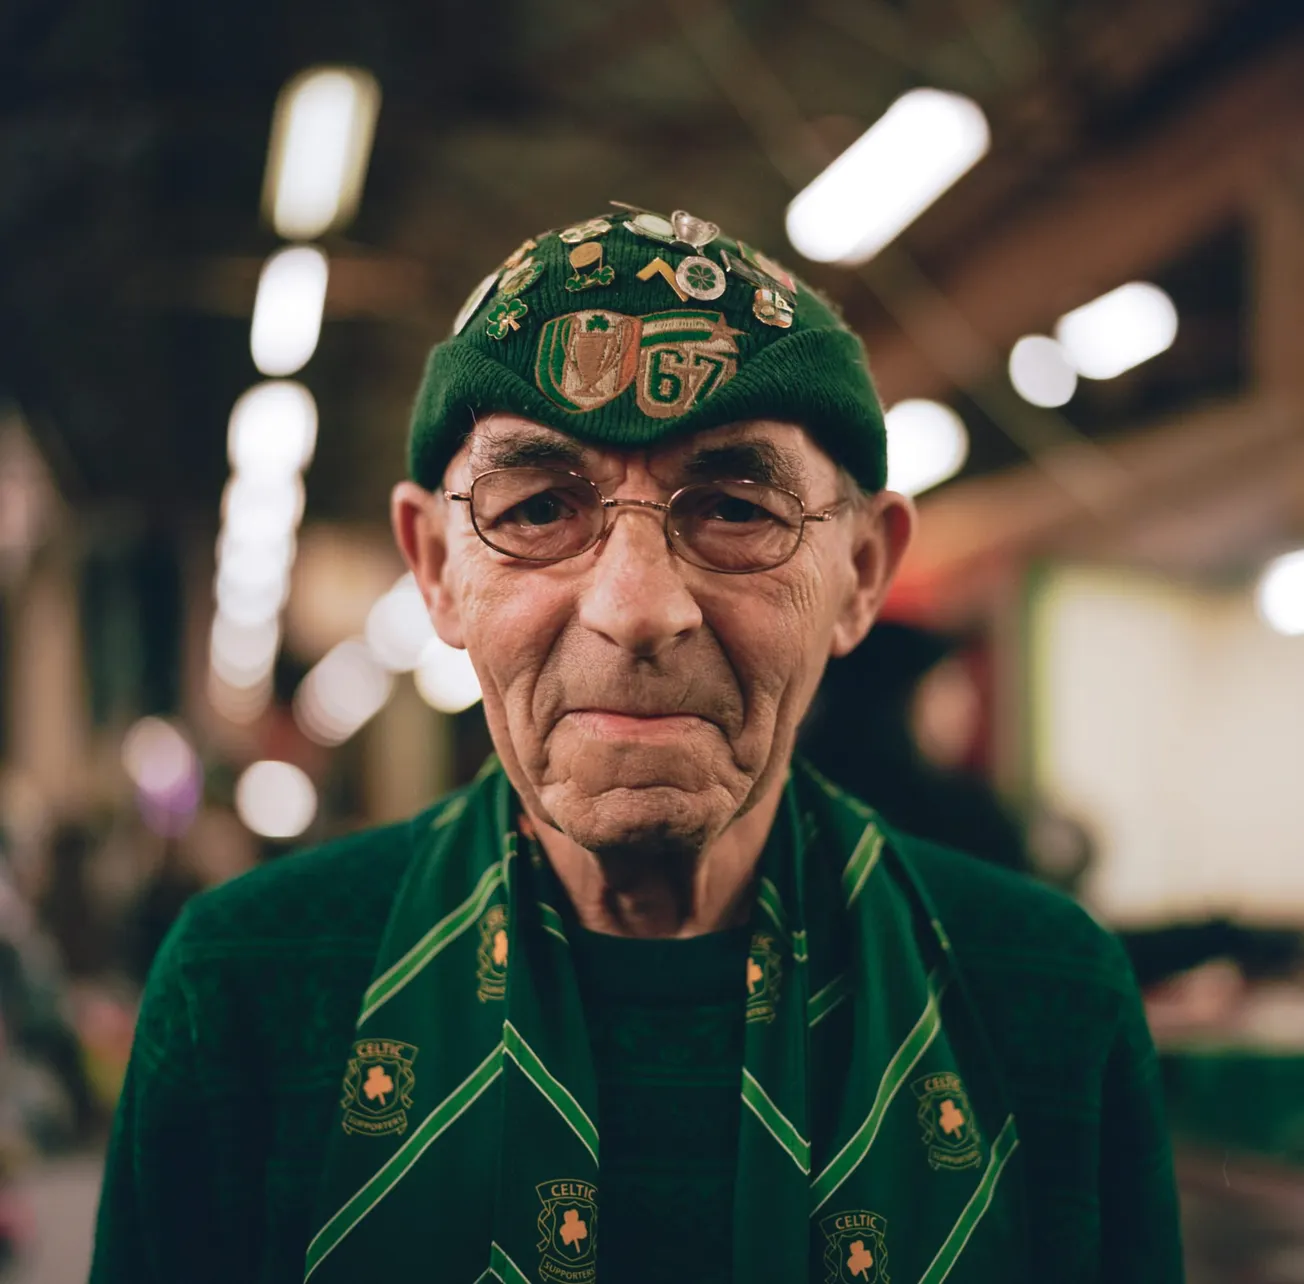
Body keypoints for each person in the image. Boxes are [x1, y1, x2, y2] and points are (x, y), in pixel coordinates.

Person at [90, 207, 1183, 1283]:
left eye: (734, 507)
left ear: (858, 574)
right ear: (433, 571)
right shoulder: (248, 991)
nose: (636, 606)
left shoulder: (1042, 997)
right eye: (535, 510)